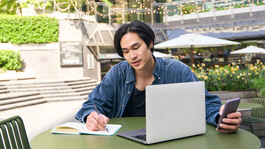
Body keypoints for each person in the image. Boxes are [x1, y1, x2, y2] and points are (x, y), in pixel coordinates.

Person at [75, 20, 242, 133]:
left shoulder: (177, 71)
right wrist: (91, 115)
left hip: (169, 138)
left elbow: (205, 103)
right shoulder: (117, 73)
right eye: (125, 52)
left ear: (149, 43)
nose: (132, 56)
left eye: (136, 47)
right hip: (124, 140)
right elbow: (93, 103)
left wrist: (220, 117)